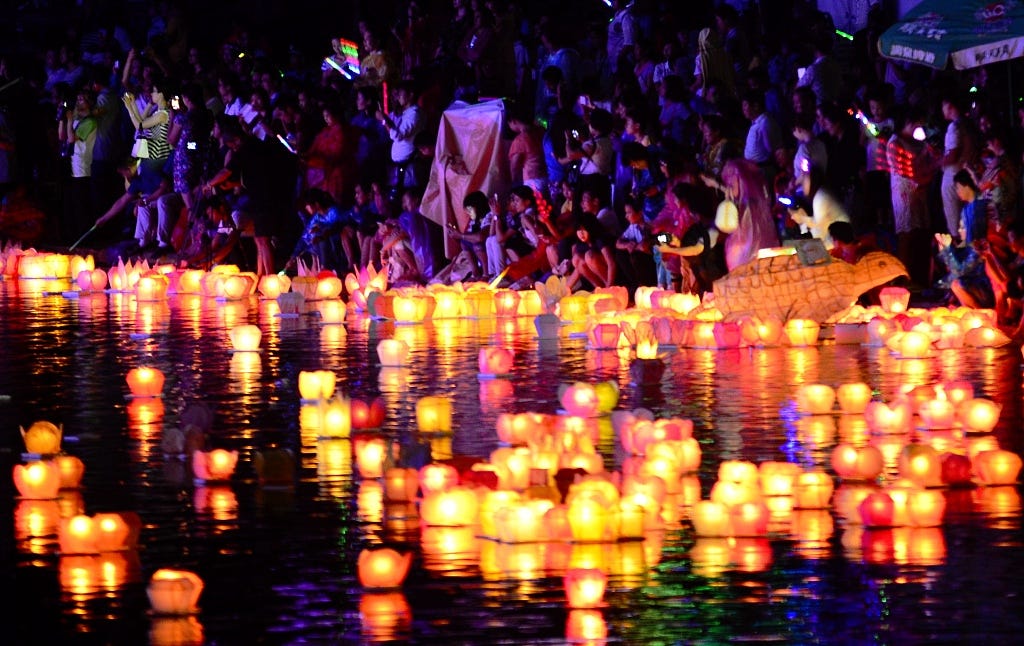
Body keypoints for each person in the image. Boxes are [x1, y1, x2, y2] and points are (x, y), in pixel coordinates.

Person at [203, 118, 295, 276]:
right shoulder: (254, 146)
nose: (233, 149)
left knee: (263, 239)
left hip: (266, 199)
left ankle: (270, 276)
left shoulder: (246, 149)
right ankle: (261, 275)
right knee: (259, 239)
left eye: (232, 146)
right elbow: (254, 175)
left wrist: (209, 184)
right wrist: (235, 184)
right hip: (261, 197)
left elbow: (227, 171)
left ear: (237, 140)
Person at [887, 107, 936, 287]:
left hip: (922, 191)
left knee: (921, 232)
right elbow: (905, 171)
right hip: (905, 192)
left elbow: (931, 161)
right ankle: (902, 278)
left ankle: (919, 276)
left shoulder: (920, 142)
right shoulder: (895, 143)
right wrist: (923, 176)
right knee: (906, 233)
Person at [703, 158, 779, 271]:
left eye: (732, 182)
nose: (729, 186)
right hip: (754, 241)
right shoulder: (753, 201)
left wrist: (716, 185)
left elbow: (735, 195)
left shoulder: (748, 203)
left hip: (747, 243)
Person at [935, 171, 994, 308]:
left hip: (983, 284)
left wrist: (948, 250)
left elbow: (960, 270)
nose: (960, 229)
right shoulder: (967, 208)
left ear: (964, 185)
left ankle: (977, 313)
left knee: (956, 282)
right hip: (971, 264)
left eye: (957, 187)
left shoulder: (979, 207)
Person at [166, 82, 213, 217]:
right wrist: (189, 145)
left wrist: (172, 118)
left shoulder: (183, 118)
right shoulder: (207, 114)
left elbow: (171, 141)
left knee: (190, 201)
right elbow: (194, 143)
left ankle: (196, 224)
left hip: (185, 161)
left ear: (186, 98)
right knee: (199, 193)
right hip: (202, 155)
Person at [58, 87, 97, 243]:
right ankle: (72, 234)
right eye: (78, 99)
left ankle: (84, 237)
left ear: (89, 103)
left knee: (81, 204)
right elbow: (61, 136)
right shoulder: (76, 120)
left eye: (82, 100)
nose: (78, 102)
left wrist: (68, 120)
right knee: (71, 203)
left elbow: (71, 139)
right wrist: (63, 118)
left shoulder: (90, 122)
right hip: (71, 164)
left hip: (82, 166)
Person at [939, 92, 980, 237]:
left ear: (949, 106)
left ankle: (959, 254)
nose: (941, 109)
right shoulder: (970, 124)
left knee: (955, 223)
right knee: (969, 222)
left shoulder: (955, 127)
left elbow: (952, 156)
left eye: (943, 106)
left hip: (954, 179)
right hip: (970, 177)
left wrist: (937, 161)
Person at [376, 80, 423, 200]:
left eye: (401, 93)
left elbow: (398, 135)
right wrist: (386, 118)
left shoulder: (414, 114)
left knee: (409, 201)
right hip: (401, 167)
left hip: (409, 168)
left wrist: (383, 120)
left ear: (411, 95)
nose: (398, 97)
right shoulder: (407, 113)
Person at [787, 163, 851, 248]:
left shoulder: (821, 196)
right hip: (833, 239)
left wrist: (802, 219)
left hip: (840, 241)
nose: (802, 185)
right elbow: (817, 226)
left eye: (805, 180)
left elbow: (818, 225)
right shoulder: (819, 195)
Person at [284, 188, 344, 273]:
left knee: (321, 240)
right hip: (316, 253)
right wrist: (293, 256)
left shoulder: (333, 212)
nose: (306, 207)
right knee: (299, 262)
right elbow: (304, 238)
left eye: (307, 204)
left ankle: (325, 268)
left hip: (334, 251)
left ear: (316, 204)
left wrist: (321, 231)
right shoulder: (315, 218)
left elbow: (335, 227)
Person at [442, 190, 491, 281]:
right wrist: (455, 236)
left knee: (477, 244)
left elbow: (481, 237)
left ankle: (486, 274)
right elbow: (465, 238)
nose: (468, 213)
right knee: (465, 241)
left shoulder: (489, 216)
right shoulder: (474, 221)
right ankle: (475, 273)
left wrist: (460, 235)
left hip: (490, 254)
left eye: (469, 210)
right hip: (481, 254)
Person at [614, 198, 657, 295]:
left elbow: (666, 237)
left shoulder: (652, 225)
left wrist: (652, 241)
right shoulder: (633, 227)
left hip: (656, 260)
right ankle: (636, 285)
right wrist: (628, 245)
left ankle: (648, 286)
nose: (626, 216)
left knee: (636, 256)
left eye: (629, 213)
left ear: (640, 213)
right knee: (620, 254)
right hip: (642, 258)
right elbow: (618, 243)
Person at [507, 108, 547, 196]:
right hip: (547, 177)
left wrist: (511, 184)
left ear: (513, 121)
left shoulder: (520, 140)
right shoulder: (542, 131)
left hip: (532, 181)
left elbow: (514, 167)